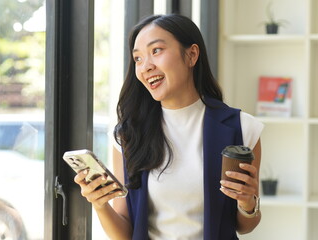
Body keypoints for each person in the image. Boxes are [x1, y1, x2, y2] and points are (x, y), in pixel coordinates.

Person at [74, 14, 263, 240]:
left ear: (191, 55)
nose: (146, 66)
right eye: (138, 59)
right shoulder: (128, 134)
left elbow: (245, 226)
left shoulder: (242, 128)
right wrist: (100, 204)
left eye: (156, 51)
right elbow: (125, 234)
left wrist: (247, 201)